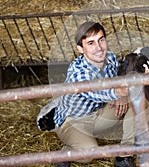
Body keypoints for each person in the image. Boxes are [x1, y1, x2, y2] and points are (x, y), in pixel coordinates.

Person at [53, 21, 135, 167]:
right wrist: (119, 92)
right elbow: (97, 92)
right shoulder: (78, 73)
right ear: (80, 48)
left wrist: (123, 95)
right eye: (91, 43)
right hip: (74, 121)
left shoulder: (109, 57)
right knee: (88, 155)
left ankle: (124, 156)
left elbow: (116, 78)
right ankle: (64, 153)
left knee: (137, 101)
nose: (99, 48)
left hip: (99, 113)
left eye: (101, 40)